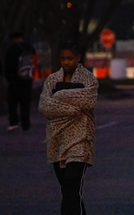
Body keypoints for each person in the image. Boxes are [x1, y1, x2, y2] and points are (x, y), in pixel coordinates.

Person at [38, 42, 98, 215]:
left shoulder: (88, 79)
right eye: (63, 58)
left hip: (81, 138)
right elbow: (44, 106)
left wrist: (58, 96)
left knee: (72, 183)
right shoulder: (52, 80)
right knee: (68, 189)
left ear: (78, 58)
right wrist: (72, 109)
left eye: (70, 58)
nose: (66, 62)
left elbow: (88, 101)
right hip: (57, 139)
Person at [5, 32, 36, 132]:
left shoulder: (12, 48)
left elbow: (8, 64)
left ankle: (13, 122)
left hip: (14, 80)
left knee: (13, 102)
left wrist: (8, 77)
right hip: (27, 79)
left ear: (13, 38)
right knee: (25, 103)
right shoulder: (30, 48)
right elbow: (34, 63)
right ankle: (25, 124)